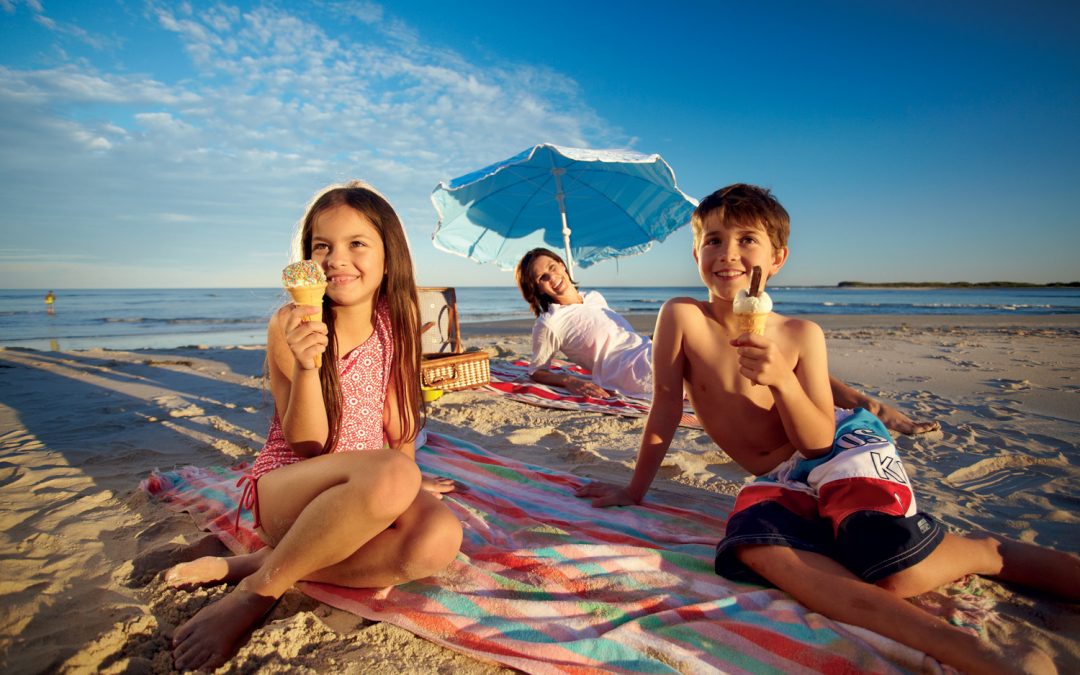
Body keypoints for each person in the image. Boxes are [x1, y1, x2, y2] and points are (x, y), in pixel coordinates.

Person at [577, 184, 1078, 674]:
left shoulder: (800, 336)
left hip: (839, 448)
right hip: (777, 476)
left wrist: (781, 383)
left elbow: (816, 440)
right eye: (713, 240)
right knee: (755, 546)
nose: (728, 253)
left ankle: (993, 553)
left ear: (778, 259)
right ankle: (967, 651)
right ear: (696, 254)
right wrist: (634, 489)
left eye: (747, 239)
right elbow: (665, 405)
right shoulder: (681, 316)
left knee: (897, 571)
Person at [165, 181, 463, 671]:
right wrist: (308, 366)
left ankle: (260, 563)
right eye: (322, 246)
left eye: (357, 244)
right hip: (291, 489)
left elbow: (399, 420)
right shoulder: (290, 322)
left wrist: (410, 480)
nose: (336, 259)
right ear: (307, 259)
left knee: (438, 538)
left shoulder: (397, 318)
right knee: (390, 474)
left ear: (390, 257)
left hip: (370, 485)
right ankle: (257, 592)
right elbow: (306, 444)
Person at [516, 247, 938, 435]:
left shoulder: (595, 298)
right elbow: (536, 368)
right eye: (543, 277)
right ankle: (862, 405)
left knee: (763, 354)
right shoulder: (549, 323)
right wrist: (573, 382)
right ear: (538, 289)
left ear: (564, 265)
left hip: (649, 350)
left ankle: (859, 404)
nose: (554, 276)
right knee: (740, 351)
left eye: (554, 265)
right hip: (631, 373)